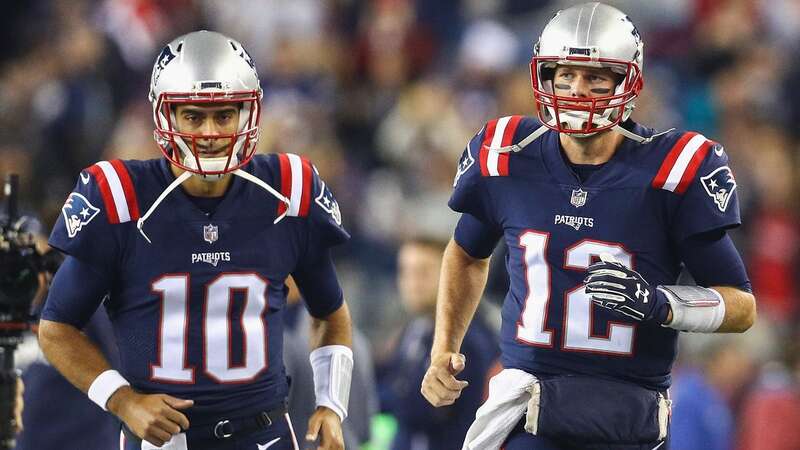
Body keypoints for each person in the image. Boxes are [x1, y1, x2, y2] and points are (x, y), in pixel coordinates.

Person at [419, 3, 757, 450]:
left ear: (627, 81)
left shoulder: (672, 171)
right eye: (565, 75)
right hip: (527, 410)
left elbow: (741, 307)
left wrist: (662, 304)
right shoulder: (508, 155)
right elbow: (466, 253)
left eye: (596, 77)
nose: (577, 90)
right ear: (544, 77)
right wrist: (445, 344)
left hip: (626, 414)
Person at [37, 30, 353, 450]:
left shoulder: (287, 191)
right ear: (166, 118)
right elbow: (56, 328)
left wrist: (332, 403)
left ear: (248, 115)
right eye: (193, 116)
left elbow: (331, 315)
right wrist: (123, 399)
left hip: (265, 435)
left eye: (224, 116)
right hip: (165, 441)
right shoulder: (121, 198)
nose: (209, 132)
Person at [380, 238, 498, 450]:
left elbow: (423, 412)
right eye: (405, 272)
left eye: (423, 273)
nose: (412, 283)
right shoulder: (413, 330)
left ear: (450, 277)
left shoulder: (469, 340)